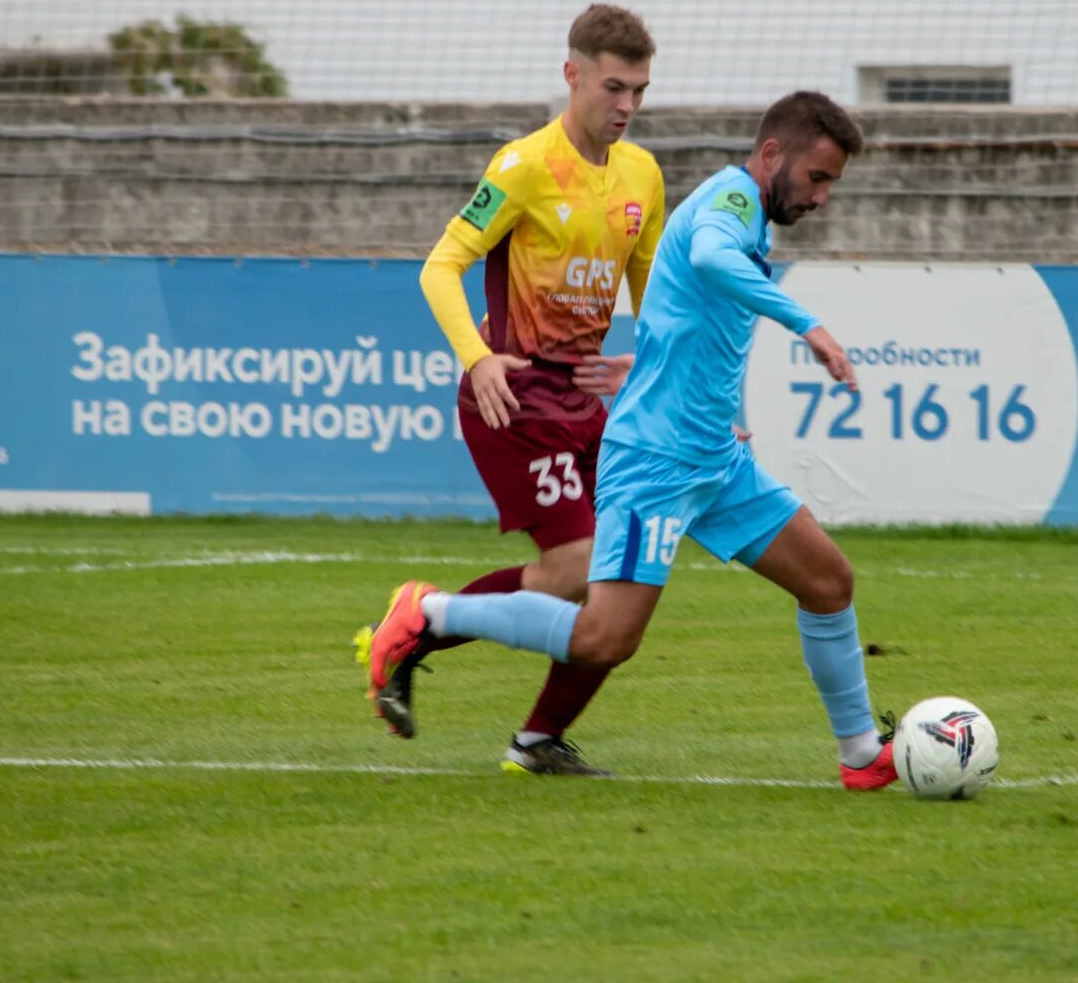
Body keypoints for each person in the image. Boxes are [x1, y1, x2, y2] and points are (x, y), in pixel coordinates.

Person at [364, 91, 903, 790]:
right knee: (603, 636)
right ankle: (429, 612)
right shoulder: (732, 205)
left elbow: (680, 302)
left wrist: (653, 364)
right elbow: (708, 257)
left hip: (713, 456)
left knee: (829, 582)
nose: (822, 197)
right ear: (773, 155)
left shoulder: (744, 212)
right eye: (817, 178)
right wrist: (809, 326)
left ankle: (861, 755)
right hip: (655, 463)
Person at [353, 4, 666, 777]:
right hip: (514, 397)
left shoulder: (643, 175)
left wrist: (647, 363)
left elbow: (657, 299)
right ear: (573, 75)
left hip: (586, 403)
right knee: (580, 566)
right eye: (614, 88)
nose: (626, 107)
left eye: (639, 92)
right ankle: (420, 618)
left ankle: (536, 742)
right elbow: (440, 267)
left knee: (622, 580)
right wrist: (478, 356)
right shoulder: (522, 166)